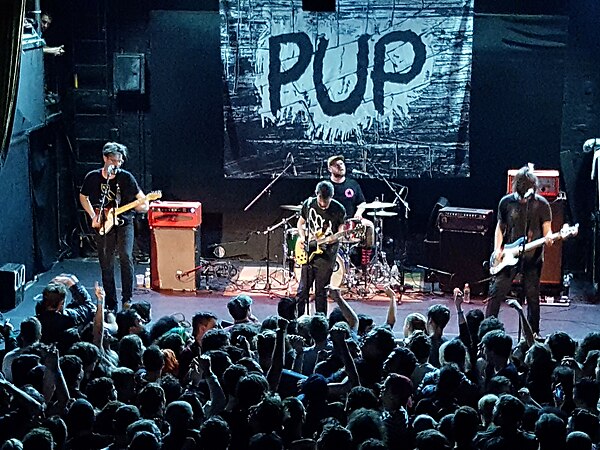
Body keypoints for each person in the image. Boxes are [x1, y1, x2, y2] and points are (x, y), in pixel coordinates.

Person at [79, 142, 149, 312]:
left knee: (125, 256)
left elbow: (143, 203)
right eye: (114, 160)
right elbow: (83, 197)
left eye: (119, 161)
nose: (117, 164)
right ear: (105, 158)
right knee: (106, 262)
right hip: (103, 222)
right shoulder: (93, 177)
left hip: (125, 222)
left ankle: (127, 299)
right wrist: (93, 215)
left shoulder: (126, 177)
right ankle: (111, 303)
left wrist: (142, 205)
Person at [486, 165, 553, 335]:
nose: (523, 200)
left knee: (532, 297)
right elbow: (500, 228)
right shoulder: (506, 202)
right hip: (509, 256)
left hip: (533, 258)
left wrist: (550, 238)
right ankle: (487, 331)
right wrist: (498, 249)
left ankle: (532, 335)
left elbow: (547, 231)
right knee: (496, 293)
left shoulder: (542, 205)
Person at [296, 181, 346, 315]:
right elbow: (300, 223)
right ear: (316, 195)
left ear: (332, 197)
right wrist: (302, 237)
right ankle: (297, 320)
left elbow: (340, 232)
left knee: (321, 292)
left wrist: (332, 239)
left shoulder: (338, 209)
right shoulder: (308, 204)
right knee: (302, 291)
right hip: (309, 251)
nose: (323, 204)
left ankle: (320, 321)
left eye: (326, 200)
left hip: (327, 255)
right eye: (321, 199)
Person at [327, 155, 375, 248]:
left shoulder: (353, 184)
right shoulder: (326, 186)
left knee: (370, 226)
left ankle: (366, 259)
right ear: (330, 169)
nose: (340, 167)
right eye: (336, 165)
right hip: (333, 222)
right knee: (342, 230)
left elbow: (362, 203)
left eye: (341, 164)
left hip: (352, 220)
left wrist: (358, 213)